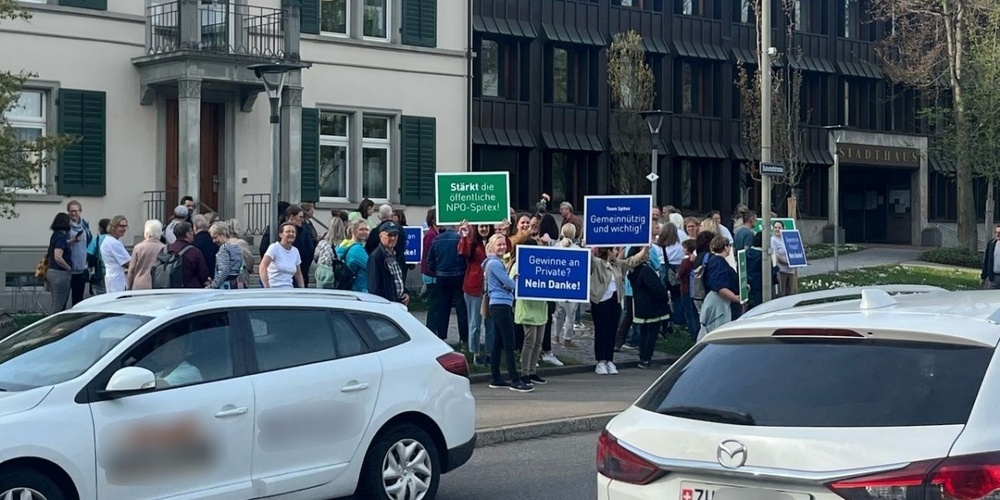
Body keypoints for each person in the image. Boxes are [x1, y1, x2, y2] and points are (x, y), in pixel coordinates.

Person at [484, 234, 533, 393]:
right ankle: (515, 379)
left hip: (498, 304)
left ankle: (495, 377)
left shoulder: (494, 263)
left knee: (498, 342)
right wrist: (514, 281)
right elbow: (509, 283)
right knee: (509, 342)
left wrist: (509, 282)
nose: (502, 247)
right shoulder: (495, 264)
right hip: (501, 305)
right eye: (498, 245)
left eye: (504, 244)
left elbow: (505, 282)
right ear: (492, 246)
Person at [590, 246, 647, 375]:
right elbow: (589, 259)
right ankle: (600, 360)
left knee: (611, 331)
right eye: (614, 250)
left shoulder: (617, 265)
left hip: (614, 301)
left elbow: (631, 261)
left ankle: (609, 359)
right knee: (601, 331)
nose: (617, 252)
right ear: (608, 252)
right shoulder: (598, 264)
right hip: (600, 301)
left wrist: (644, 250)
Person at [627, 245, 671, 369]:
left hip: (641, 306)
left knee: (644, 333)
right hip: (653, 307)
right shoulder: (646, 270)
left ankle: (643, 357)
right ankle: (646, 359)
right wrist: (664, 297)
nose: (647, 255)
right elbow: (656, 288)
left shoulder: (633, 271)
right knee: (652, 334)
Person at [458, 221, 494, 365]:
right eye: (481, 226)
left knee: (491, 324)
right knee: (475, 324)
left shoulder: (495, 241)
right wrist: (465, 236)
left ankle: (491, 353)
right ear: (477, 228)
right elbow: (462, 251)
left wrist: (504, 231)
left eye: (486, 226)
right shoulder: (473, 244)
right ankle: (475, 353)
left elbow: (507, 248)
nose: (484, 229)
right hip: (474, 288)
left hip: (491, 288)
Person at [700, 236, 742, 337]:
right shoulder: (718, 262)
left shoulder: (713, 260)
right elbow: (720, 287)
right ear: (726, 247)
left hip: (724, 303)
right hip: (723, 306)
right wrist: (735, 298)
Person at [367, 222, 410, 305]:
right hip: (386, 305)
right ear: (381, 236)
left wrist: (406, 293)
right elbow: (374, 287)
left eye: (395, 235)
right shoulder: (376, 257)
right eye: (389, 235)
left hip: (399, 302)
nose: (393, 238)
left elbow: (399, 278)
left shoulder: (398, 255)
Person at [259, 222, 304, 289]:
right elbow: (263, 266)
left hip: (289, 290)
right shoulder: (274, 248)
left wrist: (302, 289)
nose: (291, 234)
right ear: (281, 234)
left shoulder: (295, 251)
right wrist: (267, 288)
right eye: (288, 231)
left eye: (293, 232)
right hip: (274, 289)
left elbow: (298, 274)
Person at [166, 222, 210, 288]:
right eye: (192, 231)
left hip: (167, 288)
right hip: (190, 290)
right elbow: (203, 275)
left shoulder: (165, 250)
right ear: (188, 234)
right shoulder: (194, 252)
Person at [45, 212, 74, 314]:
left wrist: (72, 241)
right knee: (59, 304)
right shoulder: (61, 237)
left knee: (55, 301)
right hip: (60, 273)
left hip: (52, 271)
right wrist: (68, 267)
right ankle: (53, 327)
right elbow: (58, 256)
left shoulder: (56, 235)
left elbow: (61, 245)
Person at [65, 200, 93, 305]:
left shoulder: (85, 225)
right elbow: (60, 244)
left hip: (82, 268)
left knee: (78, 300)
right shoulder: (65, 226)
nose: (73, 213)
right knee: (63, 299)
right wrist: (73, 241)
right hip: (68, 268)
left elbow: (89, 243)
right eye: (71, 211)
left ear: (80, 211)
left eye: (76, 211)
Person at [127, 220, 166, 290]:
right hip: (157, 284)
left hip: (139, 284)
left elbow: (131, 270)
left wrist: (128, 287)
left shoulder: (138, 247)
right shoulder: (164, 248)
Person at [207, 222, 246, 289]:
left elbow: (224, 271)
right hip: (237, 283)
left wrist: (213, 286)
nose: (213, 241)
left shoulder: (224, 249)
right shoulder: (237, 247)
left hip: (226, 285)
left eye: (215, 237)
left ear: (223, 234)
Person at [100, 216, 131, 293]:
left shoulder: (113, 240)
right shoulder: (113, 243)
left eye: (125, 226)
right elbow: (128, 262)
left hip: (114, 277)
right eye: (121, 226)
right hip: (117, 280)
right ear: (113, 227)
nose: (124, 229)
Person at [337, 219, 370, 292]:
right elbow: (371, 266)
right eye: (361, 229)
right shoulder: (357, 249)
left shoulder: (345, 244)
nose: (365, 232)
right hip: (360, 288)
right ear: (353, 231)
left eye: (366, 229)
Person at [983, 224, 1000, 289]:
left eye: (999, 233)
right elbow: (986, 261)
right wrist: (983, 277)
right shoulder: (991, 244)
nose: (997, 235)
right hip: (993, 278)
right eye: (996, 232)